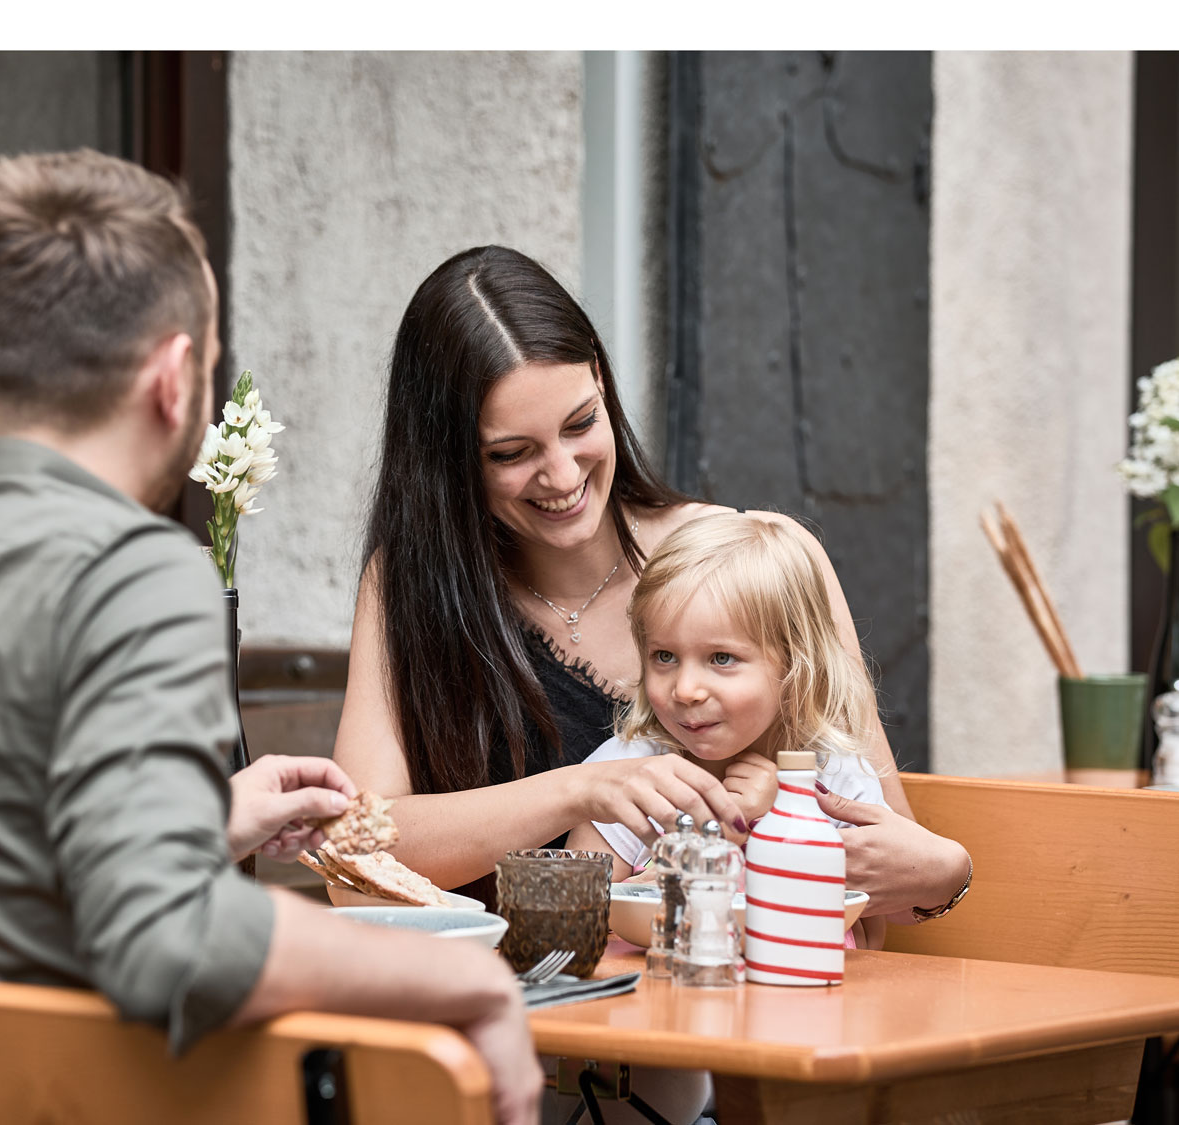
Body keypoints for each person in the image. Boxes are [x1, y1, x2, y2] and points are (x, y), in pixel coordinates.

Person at [0, 151, 541, 1125]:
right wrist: (477, 987)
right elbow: (170, 941)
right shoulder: (136, 572)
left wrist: (196, 822)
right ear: (174, 377)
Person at [333, 245, 970, 924]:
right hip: (528, 1001)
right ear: (447, 462)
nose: (562, 475)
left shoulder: (761, 563)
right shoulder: (410, 587)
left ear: (604, 384)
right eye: (512, 453)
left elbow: (889, 855)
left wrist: (946, 876)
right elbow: (353, 858)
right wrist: (584, 789)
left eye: (580, 424)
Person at [566, 514, 894, 943]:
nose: (685, 690)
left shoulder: (835, 782)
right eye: (664, 656)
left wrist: (784, 823)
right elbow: (576, 915)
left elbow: (869, 936)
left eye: (721, 658)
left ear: (795, 666)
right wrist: (689, 860)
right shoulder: (628, 771)